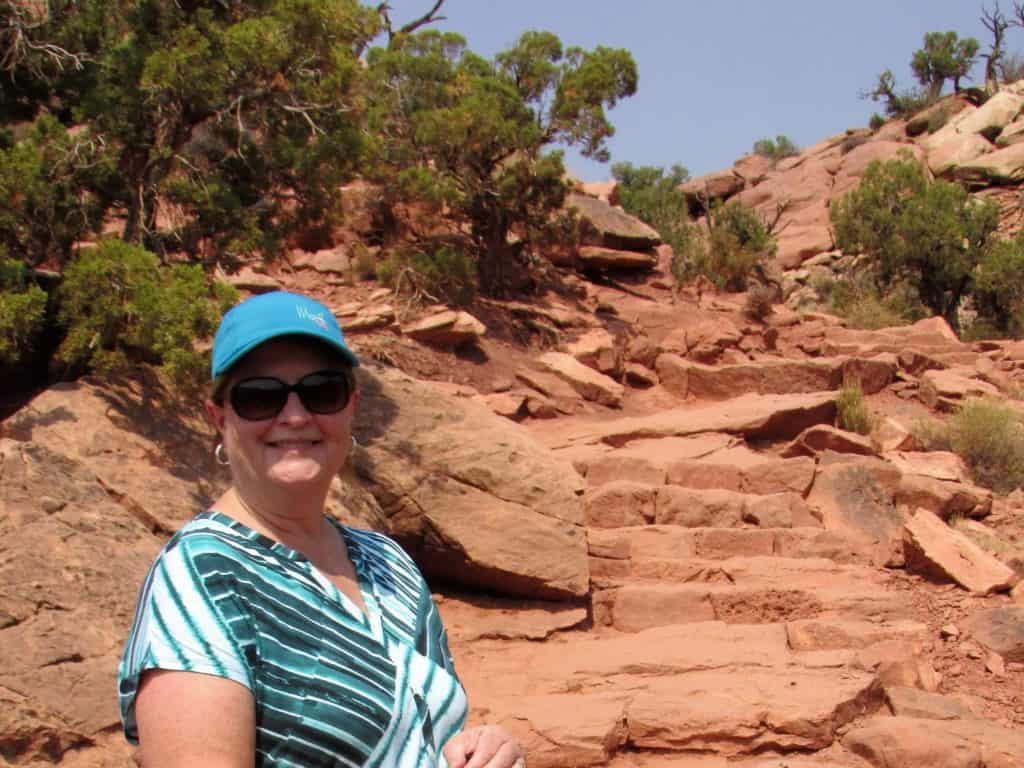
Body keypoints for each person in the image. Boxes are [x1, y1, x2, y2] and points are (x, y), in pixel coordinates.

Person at [118, 290, 526, 768]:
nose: (294, 416)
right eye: (260, 396)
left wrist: (481, 750)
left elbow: (425, 734)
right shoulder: (201, 579)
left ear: (350, 406)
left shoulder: (387, 562)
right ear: (219, 417)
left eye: (321, 391)